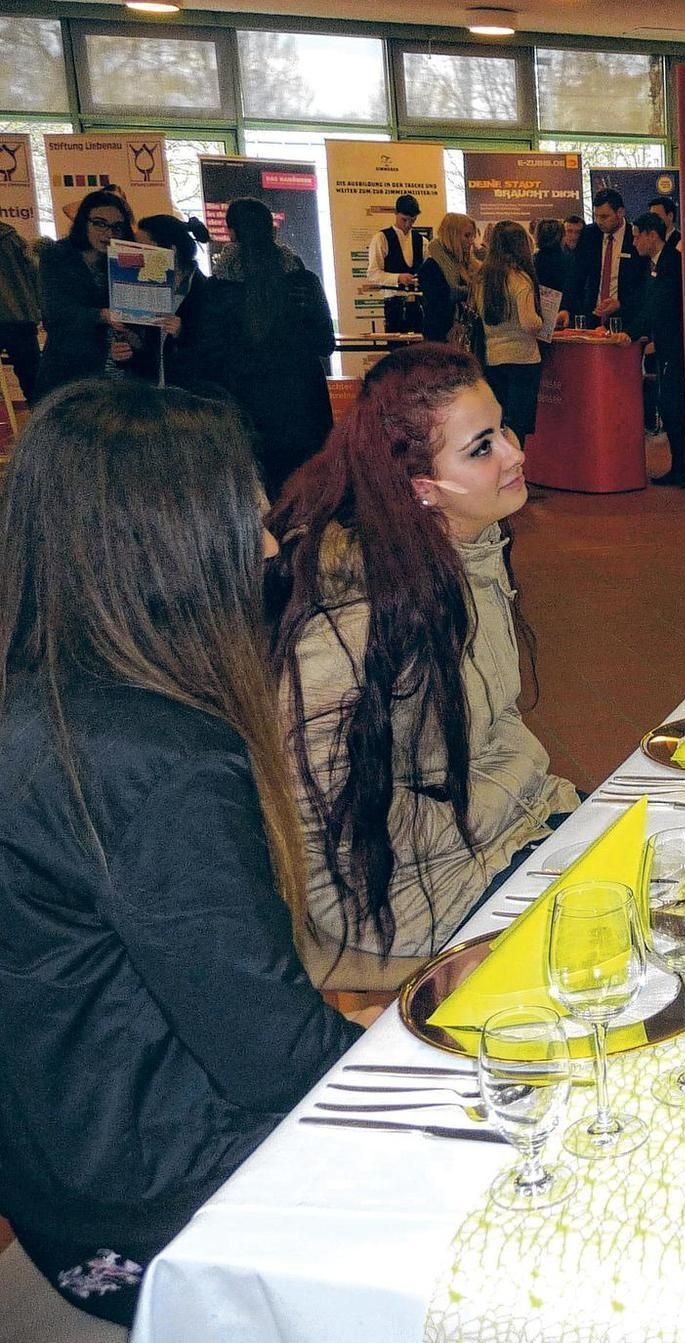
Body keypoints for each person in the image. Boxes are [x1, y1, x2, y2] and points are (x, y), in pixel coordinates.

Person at [0, 379, 359, 1327]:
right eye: (243, 510)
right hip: (151, 1214)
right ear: (162, 541)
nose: (272, 541)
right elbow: (276, 1059)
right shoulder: (157, 759)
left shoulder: (39, 696)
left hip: (55, 1180)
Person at [268, 344, 580, 992]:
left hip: (487, 829)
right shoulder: (356, 620)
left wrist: (520, 790)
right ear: (422, 489)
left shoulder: (468, 550)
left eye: (504, 430)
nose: (516, 453)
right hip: (397, 895)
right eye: (483, 446)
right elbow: (336, 831)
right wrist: (517, 788)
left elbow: (495, 729)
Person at [196, 197, 336, 494]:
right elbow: (325, 343)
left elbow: (208, 356)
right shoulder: (304, 282)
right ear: (273, 231)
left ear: (231, 234)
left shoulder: (218, 290)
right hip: (303, 409)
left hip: (245, 413)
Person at [34, 188, 134, 400]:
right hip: (69, 372)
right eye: (100, 223)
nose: (109, 233)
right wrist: (102, 315)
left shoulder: (124, 259)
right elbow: (55, 313)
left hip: (116, 371)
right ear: (83, 223)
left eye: (117, 227)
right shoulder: (57, 257)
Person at [628, 211, 685, 487]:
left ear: (653, 235)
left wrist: (631, 333)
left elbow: (658, 307)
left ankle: (683, 468)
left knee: (673, 405)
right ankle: (679, 466)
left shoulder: (671, 264)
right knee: (668, 403)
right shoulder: (653, 264)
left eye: (638, 235)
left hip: (675, 346)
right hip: (663, 344)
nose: (634, 242)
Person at [128, 213, 212, 389]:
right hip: (153, 395)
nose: (138, 255)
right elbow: (148, 352)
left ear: (170, 250)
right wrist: (129, 348)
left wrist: (182, 333)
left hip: (189, 397)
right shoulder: (142, 286)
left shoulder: (205, 290)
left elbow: (212, 349)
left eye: (144, 249)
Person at [477, 219, 544, 436]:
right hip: (522, 359)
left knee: (499, 423)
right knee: (517, 427)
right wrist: (543, 322)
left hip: (493, 357)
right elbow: (529, 323)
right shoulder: (520, 279)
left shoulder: (483, 278)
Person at [563, 187, 644, 331]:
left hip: (625, 318)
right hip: (591, 316)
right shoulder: (589, 235)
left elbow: (641, 284)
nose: (599, 221)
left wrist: (622, 303)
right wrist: (566, 308)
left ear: (620, 213)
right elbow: (575, 276)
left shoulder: (634, 238)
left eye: (605, 216)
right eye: (596, 216)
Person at [365, 193, 425, 333]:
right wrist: (398, 278)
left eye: (412, 221)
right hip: (394, 302)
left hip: (418, 303)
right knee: (397, 350)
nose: (408, 225)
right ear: (395, 213)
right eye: (404, 220)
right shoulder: (381, 238)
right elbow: (373, 273)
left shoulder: (422, 241)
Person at [418, 212, 478, 347]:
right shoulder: (431, 267)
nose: (471, 241)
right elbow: (441, 301)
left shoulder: (469, 264)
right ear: (453, 236)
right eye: (467, 236)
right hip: (441, 337)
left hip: (466, 336)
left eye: (472, 236)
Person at [0, 215, 40, 402]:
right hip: (21, 318)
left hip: (15, 319)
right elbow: (35, 274)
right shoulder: (15, 240)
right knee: (34, 386)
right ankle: (43, 427)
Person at [532, 215, 574, 307]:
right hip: (564, 310)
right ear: (561, 237)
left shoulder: (532, 261)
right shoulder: (570, 261)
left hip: (537, 309)